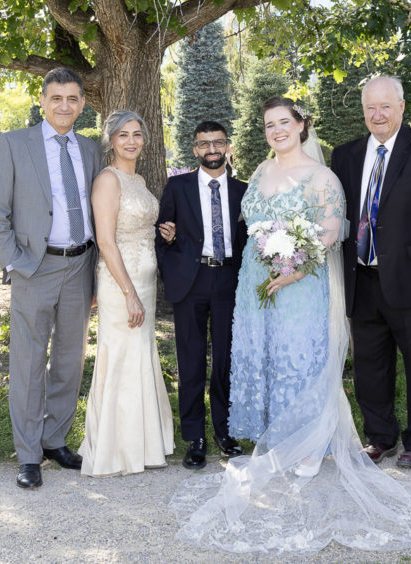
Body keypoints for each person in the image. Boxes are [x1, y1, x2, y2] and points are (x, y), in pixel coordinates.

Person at [169, 97, 411, 554]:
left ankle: (308, 446)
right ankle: (277, 434)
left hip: (300, 283)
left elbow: (330, 232)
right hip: (256, 281)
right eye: (269, 125)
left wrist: (293, 270)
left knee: (298, 356)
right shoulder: (260, 171)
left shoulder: (322, 177)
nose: (277, 130)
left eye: (284, 122)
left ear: (302, 125)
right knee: (264, 355)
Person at [332, 76, 411, 469]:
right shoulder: (346, 155)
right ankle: (380, 436)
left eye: (385, 106)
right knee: (370, 365)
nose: (378, 114)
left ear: (402, 107)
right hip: (361, 278)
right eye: (370, 107)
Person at [0, 68, 102, 489]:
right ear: (42, 101)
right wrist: (14, 263)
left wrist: (98, 271)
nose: (64, 106)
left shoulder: (90, 149)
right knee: (29, 362)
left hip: (80, 265)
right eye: (56, 98)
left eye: (72, 98)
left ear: (82, 104)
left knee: (70, 360)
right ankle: (29, 454)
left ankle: (55, 440)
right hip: (34, 267)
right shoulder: (13, 144)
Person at [78, 111, 174, 476]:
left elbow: (139, 227)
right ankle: (116, 450)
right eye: (123, 135)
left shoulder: (140, 180)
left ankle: (144, 446)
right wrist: (129, 293)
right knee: (120, 358)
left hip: (145, 282)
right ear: (111, 141)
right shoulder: (108, 180)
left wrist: (163, 231)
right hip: (122, 285)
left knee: (140, 356)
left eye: (136, 134)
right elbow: (106, 241)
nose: (131, 141)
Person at [155, 121, 247, 470]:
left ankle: (225, 431)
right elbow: (161, 235)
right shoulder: (177, 187)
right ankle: (194, 437)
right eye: (204, 143)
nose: (211, 149)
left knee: (225, 359)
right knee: (190, 359)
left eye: (218, 142)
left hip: (229, 280)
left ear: (227, 146)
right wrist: (169, 254)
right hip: (190, 283)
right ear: (195, 149)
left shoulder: (243, 191)